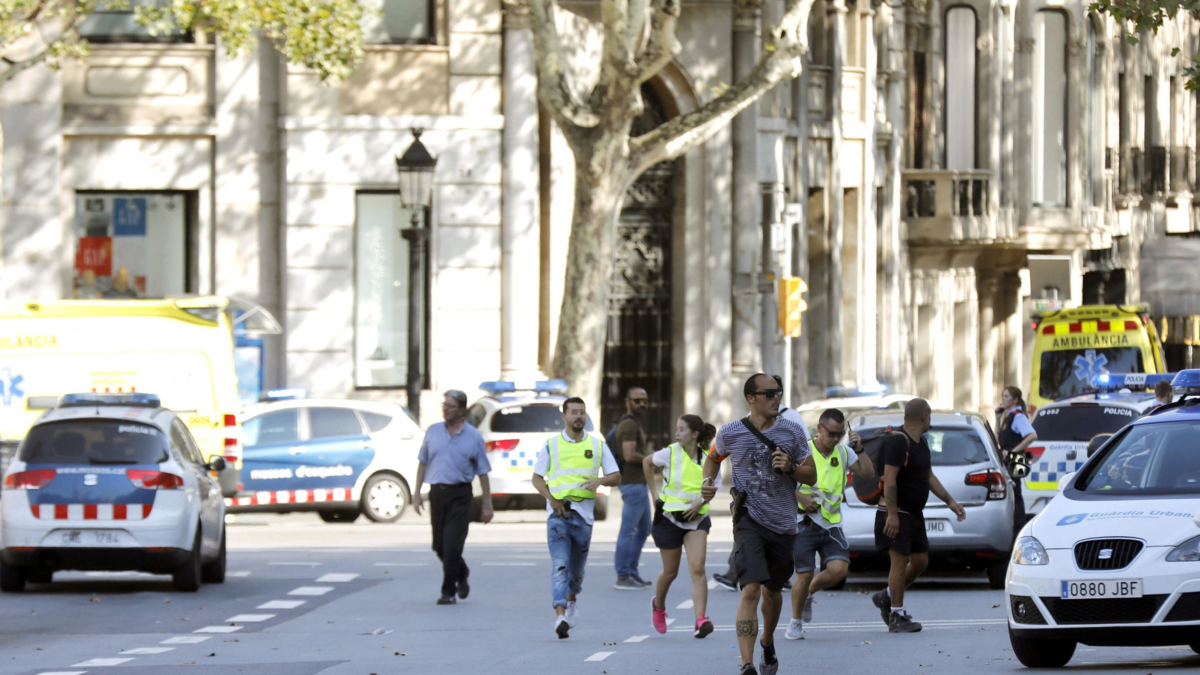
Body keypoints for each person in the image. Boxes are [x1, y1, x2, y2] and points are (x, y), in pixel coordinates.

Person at [701, 373, 816, 675]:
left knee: (772, 593)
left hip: (783, 524)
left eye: (778, 392)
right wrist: (707, 481)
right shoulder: (730, 432)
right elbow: (713, 457)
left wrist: (791, 467)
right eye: (769, 393)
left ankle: (767, 640)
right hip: (748, 519)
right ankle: (747, 664)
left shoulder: (792, 431)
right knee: (750, 588)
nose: (776, 398)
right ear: (751, 398)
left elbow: (811, 474)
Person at [871, 398, 966, 633]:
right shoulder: (898, 442)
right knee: (900, 562)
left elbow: (929, 476)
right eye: (929, 416)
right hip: (897, 512)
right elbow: (889, 480)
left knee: (920, 561)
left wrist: (950, 501)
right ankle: (897, 615)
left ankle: (886, 596)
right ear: (925, 416)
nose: (930, 421)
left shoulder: (921, 442)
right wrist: (892, 514)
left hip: (914, 513)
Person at [531, 396, 622, 639]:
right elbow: (537, 478)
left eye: (581, 412)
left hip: (583, 516)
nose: (578, 416)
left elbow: (616, 476)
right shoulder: (552, 445)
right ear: (564, 416)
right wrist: (552, 499)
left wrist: (600, 480)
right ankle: (560, 616)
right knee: (560, 565)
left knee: (577, 572)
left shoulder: (597, 445)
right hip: (558, 514)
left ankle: (571, 601)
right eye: (573, 412)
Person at [785, 408, 874, 640]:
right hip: (804, 522)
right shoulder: (802, 451)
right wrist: (800, 497)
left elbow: (868, 473)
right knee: (804, 574)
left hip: (831, 523)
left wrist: (859, 448)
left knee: (839, 570)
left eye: (839, 434)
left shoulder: (844, 452)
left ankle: (809, 594)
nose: (835, 438)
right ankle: (794, 623)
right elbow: (781, 480)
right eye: (831, 433)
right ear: (820, 429)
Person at [412, 390, 494, 605]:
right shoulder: (433, 432)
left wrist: (487, 504)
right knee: (439, 546)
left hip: (460, 495)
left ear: (462, 411)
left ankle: (448, 592)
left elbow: (483, 473)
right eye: (444, 404)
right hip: (437, 494)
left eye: (450, 405)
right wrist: (416, 494)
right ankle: (462, 571)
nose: (446, 409)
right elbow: (422, 463)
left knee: (452, 546)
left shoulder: (473, 437)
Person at [643, 414, 719, 638]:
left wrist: (700, 502)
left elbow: (713, 489)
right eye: (677, 429)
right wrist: (654, 494)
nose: (677, 434)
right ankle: (658, 606)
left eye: (682, 430)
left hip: (697, 518)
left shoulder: (709, 458)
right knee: (670, 572)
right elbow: (647, 462)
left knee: (698, 568)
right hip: (670, 519)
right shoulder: (670, 453)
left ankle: (700, 620)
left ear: (695, 434)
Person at [613, 386, 654, 590]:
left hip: (639, 483)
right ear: (627, 402)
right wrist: (651, 459)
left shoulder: (633, 423)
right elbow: (629, 455)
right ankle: (623, 575)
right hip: (633, 484)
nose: (641, 404)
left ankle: (631, 572)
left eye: (644, 401)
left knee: (644, 529)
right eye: (637, 401)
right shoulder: (629, 424)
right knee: (628, 532)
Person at [996, 386, 1036, 535]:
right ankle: (1015, 526)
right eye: (1003, 396)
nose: (1003, 399)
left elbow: (1032, 435)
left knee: (1016, 494)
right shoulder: (1008, 416)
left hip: (1016, 459)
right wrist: (997, 418)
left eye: (1006, 396)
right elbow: (999, 437)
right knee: (1012, 493)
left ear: (1015, 400)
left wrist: (1013, 451)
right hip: (1010, 459)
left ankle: (1019, 528)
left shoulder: (1018, 416)